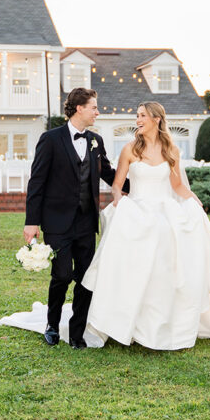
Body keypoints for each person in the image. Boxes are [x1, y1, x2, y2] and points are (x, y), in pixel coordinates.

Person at [81, 101, 210, 349]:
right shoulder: (130, 149)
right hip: (138, 208)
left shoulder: (171, 150)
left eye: (142, 115)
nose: (138, 120)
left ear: (156, 119)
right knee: (141, 252)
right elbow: (117, 184)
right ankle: (126, 318)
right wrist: (119, 202)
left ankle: (168, 318)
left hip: (165, 208)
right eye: (137, 116)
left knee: (170, 249)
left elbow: (177, 187)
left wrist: (194, 201)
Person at [20, 87, 125, 349]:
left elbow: (109, 174)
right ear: (79, 108)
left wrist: (141, 186)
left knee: (86, 278)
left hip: (86, 222)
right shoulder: (50, 139)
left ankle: (77, 332)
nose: (97, 112)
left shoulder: (96, 141)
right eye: (94, 107)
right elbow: (37, 183)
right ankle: (52, 325)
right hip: (56, 221)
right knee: (62, 274)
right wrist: (31, 222)